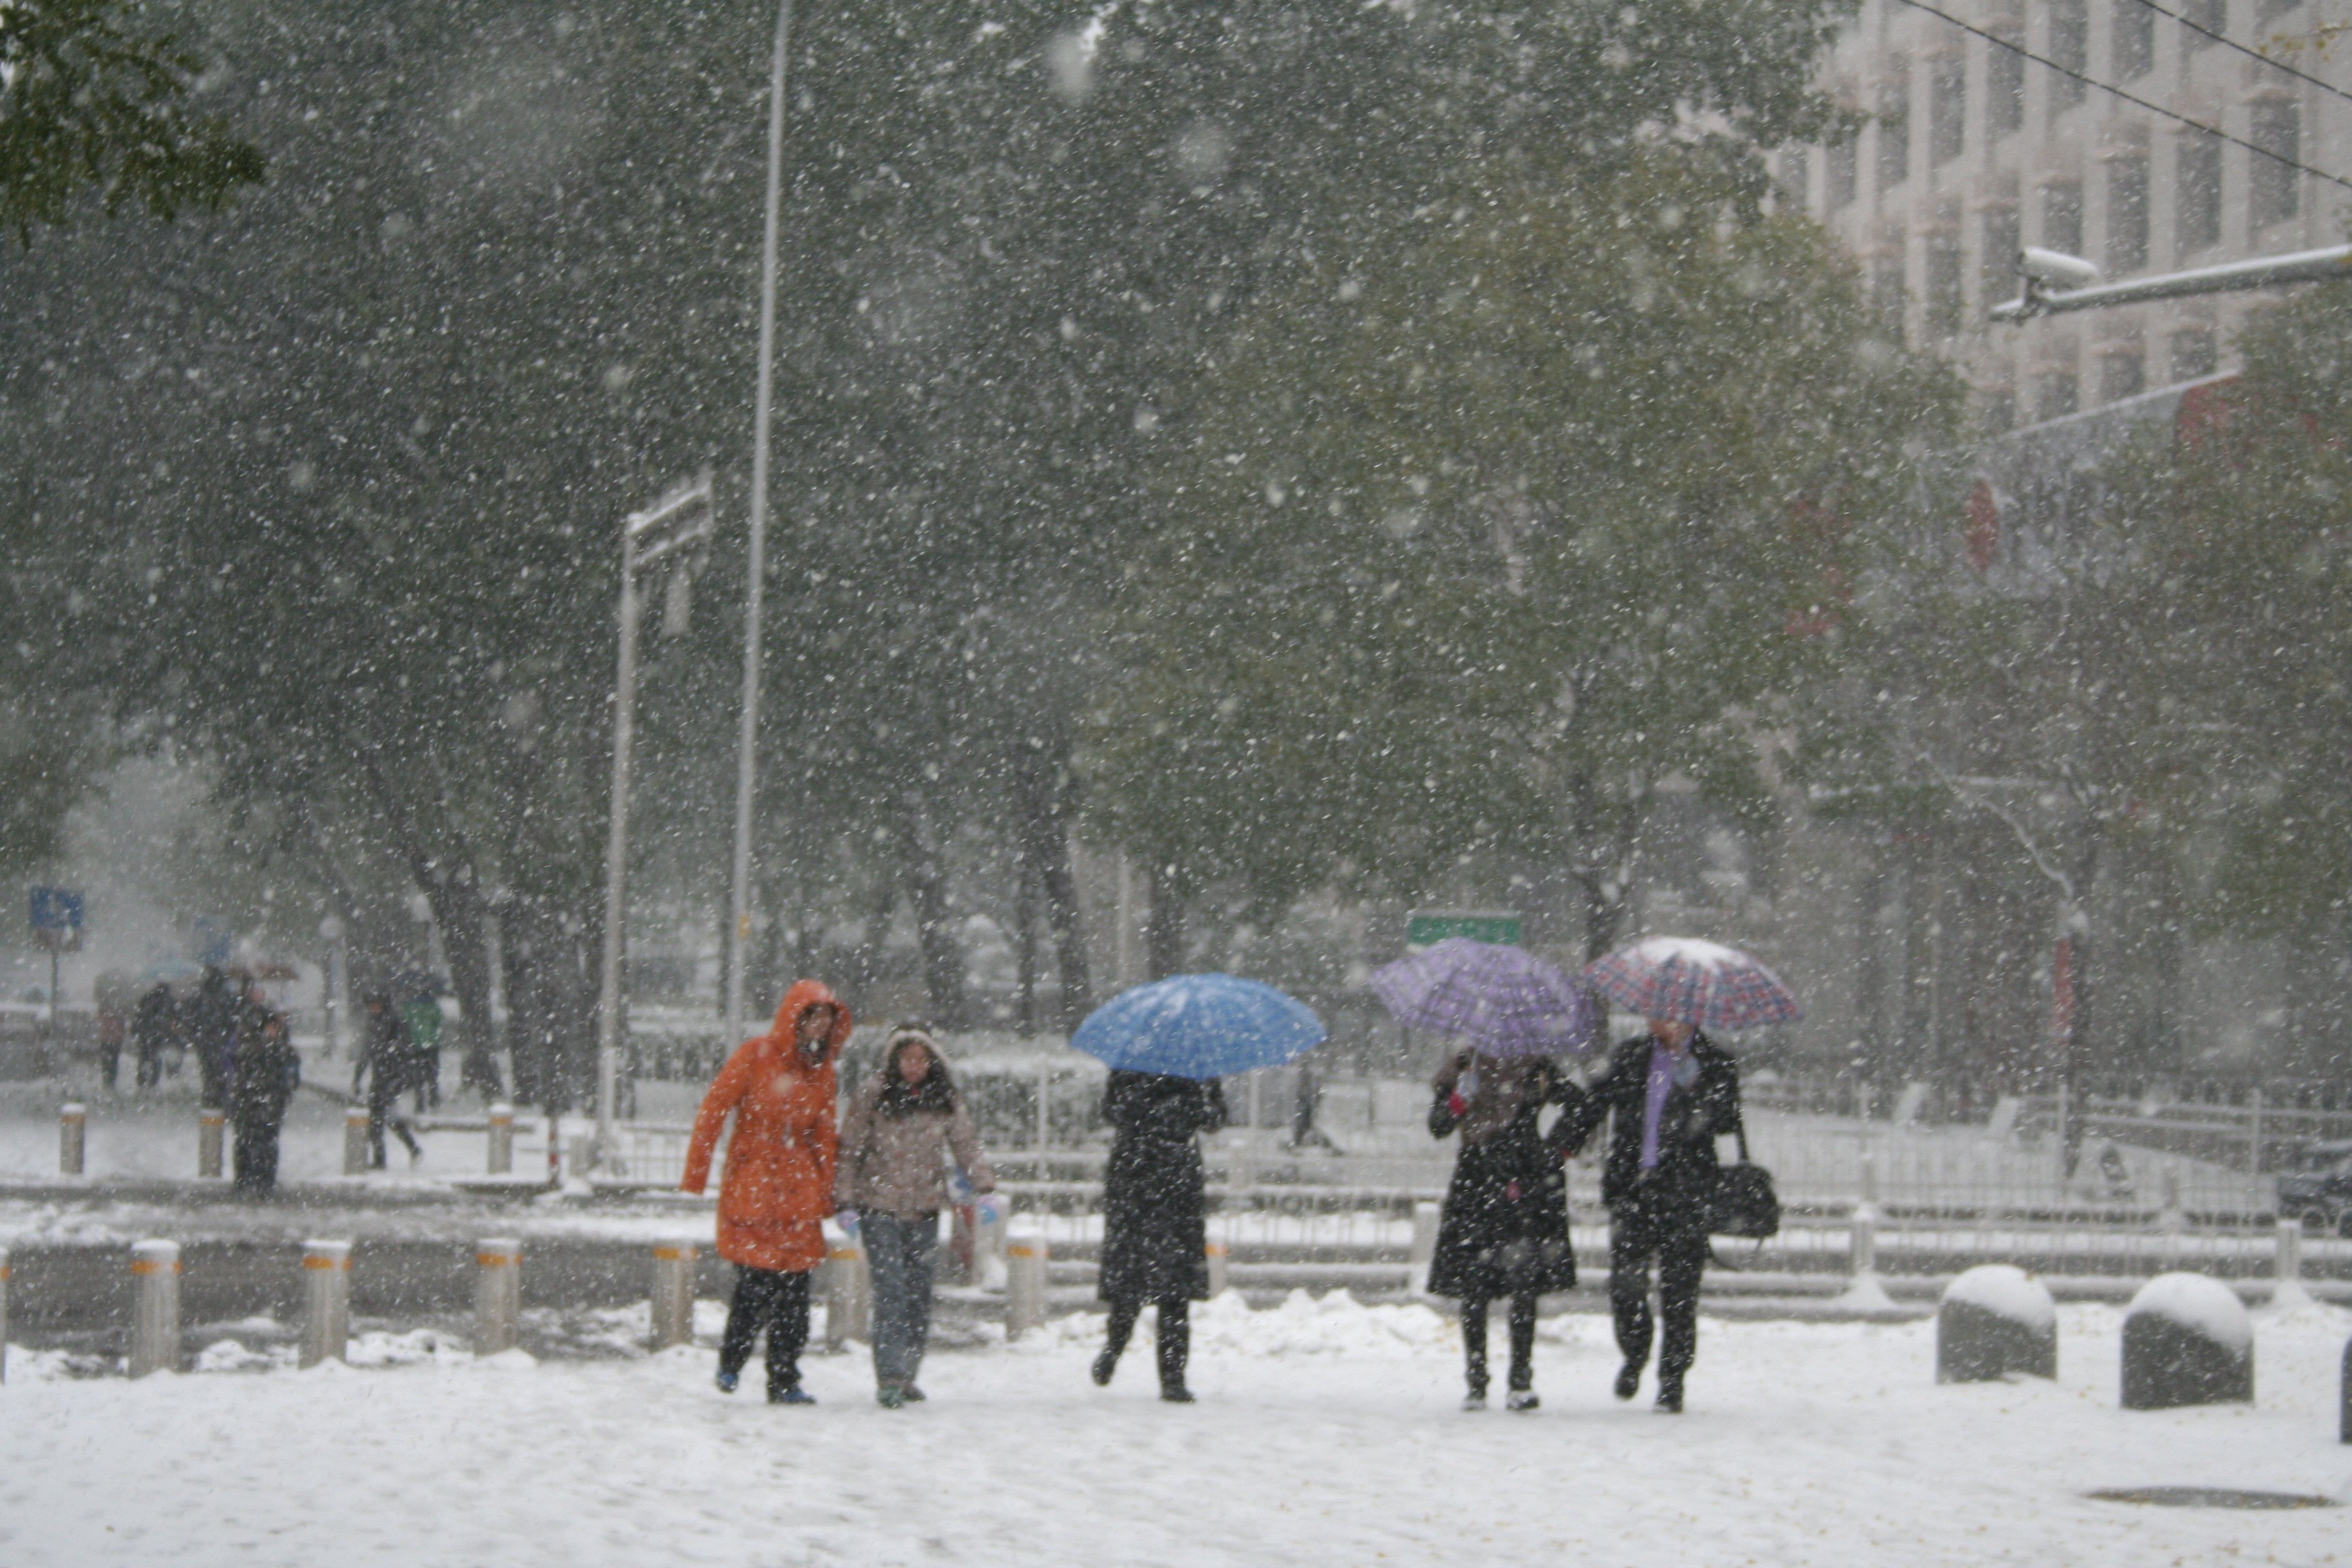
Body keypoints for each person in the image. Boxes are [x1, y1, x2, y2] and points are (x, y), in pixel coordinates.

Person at [1555, 1015, 1746, 1414]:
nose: (1657, 1017)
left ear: (1691, 1014)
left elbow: (1728, 1122)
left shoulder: (1715, 1060)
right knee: (1626, 1285)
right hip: (1632, 1189)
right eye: (1654, 1007)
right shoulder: (1631, 1056)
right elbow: (1593, 1105)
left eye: (1668, 1008)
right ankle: (1636, 1351)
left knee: (1680, 1291)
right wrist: (1557, 1147)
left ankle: (1672, 1378)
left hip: (1687, 1193)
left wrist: (1696, 1083)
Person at [683, 980, 850, 1406]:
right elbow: (715, 1107)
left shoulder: (823, 1072)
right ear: (794, 1018)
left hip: (799, 1191)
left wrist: (829, 1190)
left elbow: (824, 1134)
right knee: (754, 1286)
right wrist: (696, 1173)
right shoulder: (756, 1056)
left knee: (796, 1296)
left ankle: (784, 1378)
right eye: (811, 1018)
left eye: (825, 1020)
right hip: (754, 1182)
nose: (818, 1027)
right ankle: (732, 1362)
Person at [834, 1023, 996, 1407]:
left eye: (921, 1058)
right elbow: (850, 1148)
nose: (913, 1066)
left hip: (924, 1207)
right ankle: (889, 1375)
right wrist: (844, 1200)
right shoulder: (874, 1094)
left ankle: (909, 1372)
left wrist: (985, 1187)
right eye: (906, 1058)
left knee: (919, 1295)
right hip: (880, 1205)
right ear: (894, 1060)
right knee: (891, 1291)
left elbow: (965, 1145)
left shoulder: (943, 1098)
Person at [1426, 1047, 1577, 1411]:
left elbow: (1579, 1104)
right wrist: (1461, 1096)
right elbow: (1438, 1126)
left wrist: (1556, 1150)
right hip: (1476, 1180)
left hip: (1524, 1179)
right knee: (1473, 1286)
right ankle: (1476, 1379)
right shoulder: (1463, 1066)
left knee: (1524, 1282)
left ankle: (1520, 1378)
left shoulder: (1537, 1066)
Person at [1092, 1069, 1227, 1403]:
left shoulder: (1134, 1061)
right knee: (1165, 1284)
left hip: (1141, 1174)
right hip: (1164, 1175)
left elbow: (1111, 1109)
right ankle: (1161, 1371)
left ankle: (1126, 1352)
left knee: (1146, 1279)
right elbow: (1215, 1118)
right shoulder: (1196, 1064)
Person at [230, 1011, 301, 1194]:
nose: (273, 1031)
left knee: (267, 1142)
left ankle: (265, 1180)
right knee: (246, 1141)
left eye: (275, 1027)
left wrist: (283, 1089)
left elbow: (292, 1075)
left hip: (271, 1102)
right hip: (250, 1101)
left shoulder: (284, 1050)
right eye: (270, 1027)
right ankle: (244, 1178)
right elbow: (240, 1072)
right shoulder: (251, 1049)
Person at [355, 991, 425, 1166]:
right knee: (388, 1118)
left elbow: (405, 1049)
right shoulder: (373, 1023)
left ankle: (382, 1159)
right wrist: (358, 1076)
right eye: (371, 1004)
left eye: (377, 1004)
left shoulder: (395, 1022)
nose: (374, 1008)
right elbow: (366, 1052)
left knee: (378, 1118)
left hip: (392, 1077)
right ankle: (412, 1148)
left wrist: (391, 1055)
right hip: (380, 1076)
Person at [186, 966, 238, 1109]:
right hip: (221, 1042)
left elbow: (190, 1020)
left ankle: (211, 1102)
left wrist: (196, 1037)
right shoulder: (226, 997)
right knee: (222, 1073)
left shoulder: (200, 997)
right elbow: (233, 1020)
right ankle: (221, 1102)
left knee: (209, 1073)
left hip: (205, 1042)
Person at [401, 985, 444, 1111]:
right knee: (433, 1074)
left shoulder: (411, 1007)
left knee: (418, 1075)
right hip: (432, 1045)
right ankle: (434, 1100)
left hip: (417, 1044)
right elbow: (439, 1022)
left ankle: (419, 1103)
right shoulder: (434, 1007)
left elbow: (405, 1020)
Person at [131, 983, 176, 1092]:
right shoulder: (169, 1001)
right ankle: (153, 1082)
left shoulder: (147, 998)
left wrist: (135, 1029)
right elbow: (174, 1017)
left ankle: (141, 1081)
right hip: (160, 1035)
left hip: (145, 1033)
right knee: (156, 1059)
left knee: (144, 1058)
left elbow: (139, 1015)